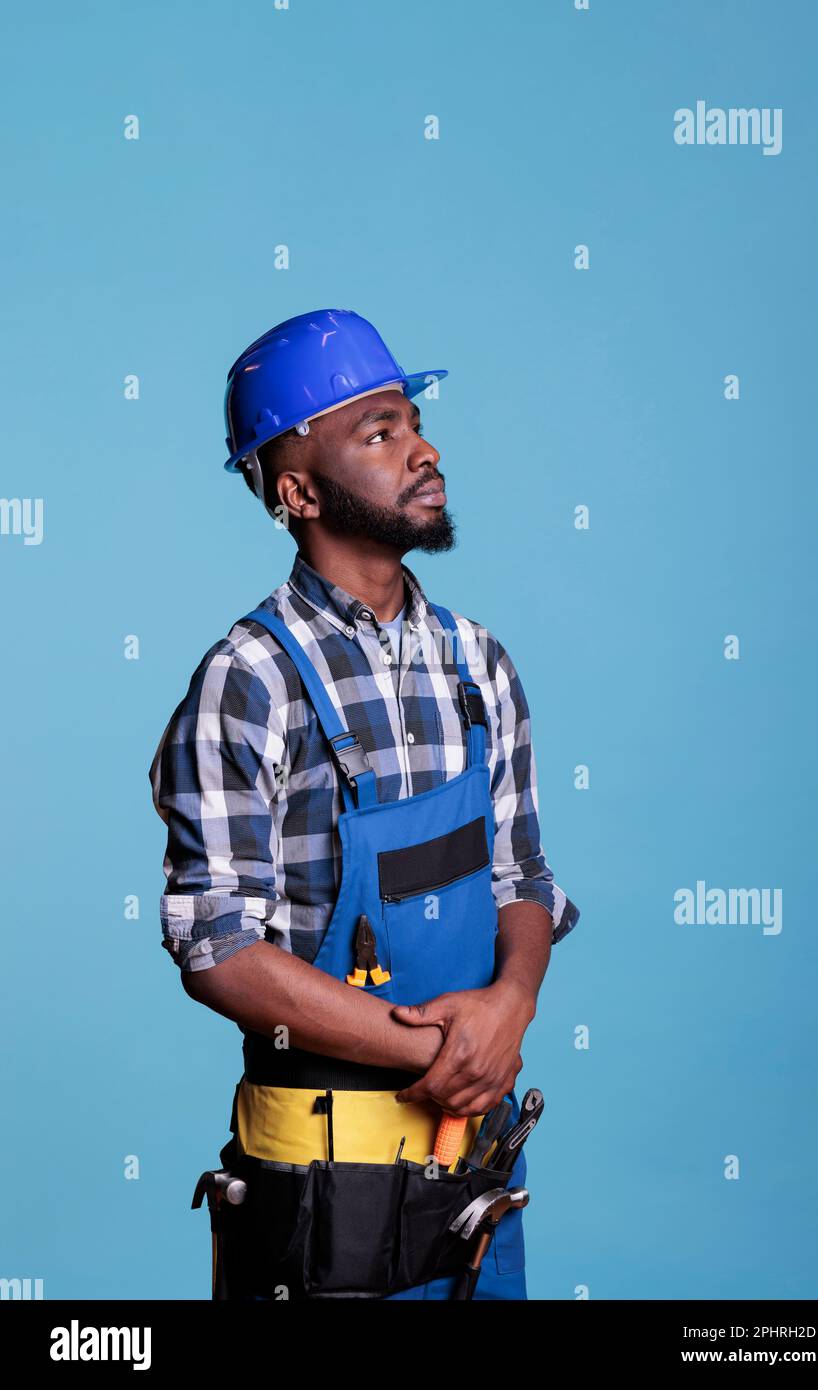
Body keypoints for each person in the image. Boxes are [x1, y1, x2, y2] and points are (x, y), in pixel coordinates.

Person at [149, 308, 579, 1300]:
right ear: (296, 489)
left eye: (413, 423)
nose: (422, 450)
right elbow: (216, 946)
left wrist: (509, 1005)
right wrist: (437, 1046)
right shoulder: (249, 679)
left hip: (472, 1173)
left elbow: (520, 878)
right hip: (319, 1198)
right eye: (378, 433)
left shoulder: (476, 661)